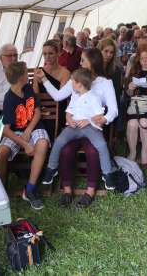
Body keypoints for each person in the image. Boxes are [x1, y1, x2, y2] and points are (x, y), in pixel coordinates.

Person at [34, 48, 118, 207]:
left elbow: (113, 110)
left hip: (93, 126)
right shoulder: (77, 79)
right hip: (74, 126)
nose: (79, 63)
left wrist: (103, 119)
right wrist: (44, 79)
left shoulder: (105, 83)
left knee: (94, 150)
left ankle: (90, 191)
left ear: (92, 62)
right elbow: (59, 97)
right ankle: (66, 190)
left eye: (82, 60)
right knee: (64, 149)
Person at [41, 68, 116, 189]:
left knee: (101, 145)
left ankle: (107, 173)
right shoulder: (75, 96)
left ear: (79, 84)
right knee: (59, 141)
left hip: (90, 128)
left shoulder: (94, 97)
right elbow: (69, 111)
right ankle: (51, 168)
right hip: (74, 127)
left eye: (72, 82)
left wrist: (89, 120)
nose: (71, 84)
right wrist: (69, 119)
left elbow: (100, 116)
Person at [0, 62, 50, 210]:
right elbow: (6, 129)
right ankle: (1, 191)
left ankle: (30, 189)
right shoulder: (9, 98)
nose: (28, 75)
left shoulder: (28, 89)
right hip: (15, 131)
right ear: (20, 78)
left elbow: (37, 112)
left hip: (34, 126)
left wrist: (28, 130)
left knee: (42, 143)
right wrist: (24, 143)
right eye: (26, 73)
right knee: (1, 152)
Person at [33, 39, 71, 132]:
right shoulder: (39, 72)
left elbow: (61, 97)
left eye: (51, 53)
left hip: (58, 111)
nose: (47, 57)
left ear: (58, 53)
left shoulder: (65, 73)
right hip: (41, 112)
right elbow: (35, 96)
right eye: (44, 54)